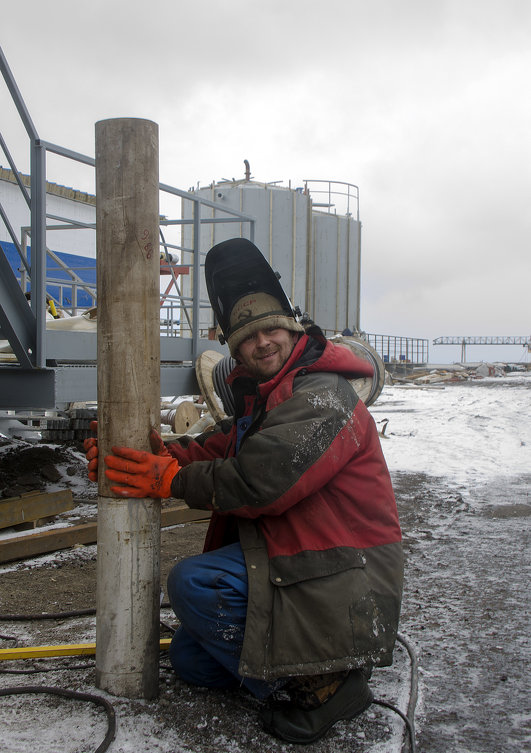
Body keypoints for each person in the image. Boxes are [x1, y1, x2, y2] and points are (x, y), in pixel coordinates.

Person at [85, 239, 403, 744]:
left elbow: (261, 480)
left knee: (194, 583)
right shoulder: (266, 401)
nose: (263, 343)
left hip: (345, 572)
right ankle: (302, 665)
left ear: (293, 329)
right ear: (235, 350)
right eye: (247, 339)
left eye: (272, 329)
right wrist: (148, 458)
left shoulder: (322, 397)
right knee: (191, 659)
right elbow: (219, 447)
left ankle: (328, 684)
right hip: (305, 559)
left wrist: (168, 480)